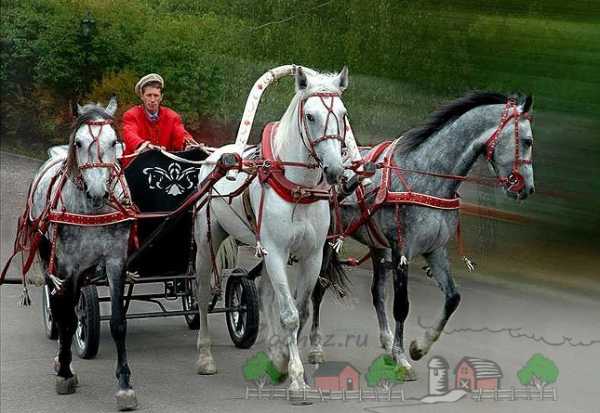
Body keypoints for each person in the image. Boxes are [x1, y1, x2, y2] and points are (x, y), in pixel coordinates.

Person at [121, 73, 195, 165]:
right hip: (135, 167)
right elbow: (129, 134)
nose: (152, 100)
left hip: (163, 168)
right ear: (142, 96)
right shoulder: (131, 115)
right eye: (149, 95)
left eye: (156, 95)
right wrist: (144, 146)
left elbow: (181, 135)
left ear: (161, 97)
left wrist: (190, 144)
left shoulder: (172, 117)